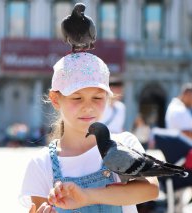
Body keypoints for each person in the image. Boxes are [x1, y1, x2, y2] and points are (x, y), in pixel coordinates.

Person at [20, 52, 159, 213]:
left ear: (108, 97)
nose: (88, 107)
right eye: (77, 98)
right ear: (55, 99)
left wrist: (86, 196)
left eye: (97, 98)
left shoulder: (124, 143)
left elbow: (150, 189)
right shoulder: (41, 164)